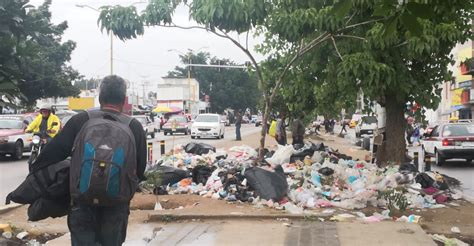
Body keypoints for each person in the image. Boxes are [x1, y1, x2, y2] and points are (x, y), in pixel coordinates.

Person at [32, 75, 147, 246]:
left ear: (100, 98)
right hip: (116, 204)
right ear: (123, 100)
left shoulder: (80, 120)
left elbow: (51, 154)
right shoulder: (133, 126)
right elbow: (139, 168)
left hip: (82, 201)